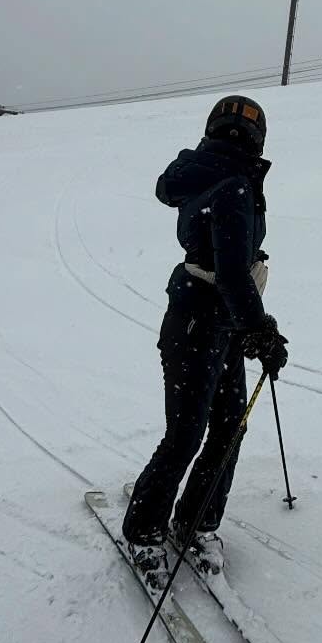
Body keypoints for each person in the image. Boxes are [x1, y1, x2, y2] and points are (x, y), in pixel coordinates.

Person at [122, 95, 289, 576]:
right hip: (202, 320)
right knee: (192, 433)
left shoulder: (213, 174)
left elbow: (230, 265)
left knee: (224, 425)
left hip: (210, 317)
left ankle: (195, 524)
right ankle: (145, 531)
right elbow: (232, 272)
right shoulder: (233, 183)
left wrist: (252, 325)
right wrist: (262, 331)